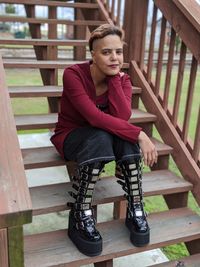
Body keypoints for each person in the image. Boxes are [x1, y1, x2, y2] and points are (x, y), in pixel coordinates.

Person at [51, 24, 157, 257]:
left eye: (118, 52)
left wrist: (115, 81)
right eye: (106, 52)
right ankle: (81, 211)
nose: (114, 58)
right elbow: (93, 117)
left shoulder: (123, 80)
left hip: (102, 139)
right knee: (115, 133)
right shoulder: (73, 74)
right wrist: (140, 133)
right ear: (93, 55)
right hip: (71, 137)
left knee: (123, 136)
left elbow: (121, 117)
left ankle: (135, 207)